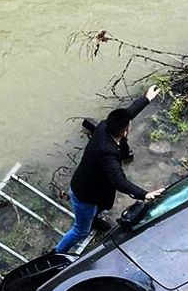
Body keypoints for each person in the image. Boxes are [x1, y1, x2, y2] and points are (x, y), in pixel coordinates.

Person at [55, 86, 165, 254]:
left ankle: (94, 220)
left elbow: (128, 113)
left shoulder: (104, 126)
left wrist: (147, 98)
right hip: (84, 195)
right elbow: (120, 181)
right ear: (126, 131)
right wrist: (145, 194)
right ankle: (57, 252)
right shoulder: (108, 153)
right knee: (81, 231)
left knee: (98, 209)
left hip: (93, 186)